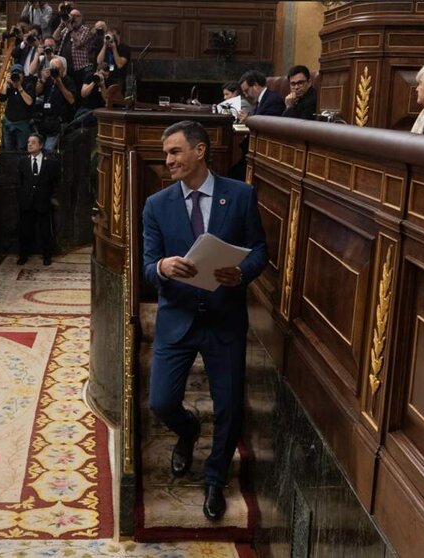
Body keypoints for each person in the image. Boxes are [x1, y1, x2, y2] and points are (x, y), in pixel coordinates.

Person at [142, 120, 266, 522]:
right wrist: (161, 266)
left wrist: (242, 272)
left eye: (175, 152)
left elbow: (259, 250)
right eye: (166, 155)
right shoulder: (156, 206)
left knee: (229, 406)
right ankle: (188, 429)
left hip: (223, 318)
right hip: (177, 317)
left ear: (199, 151)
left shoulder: (241, 195)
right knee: (161, 401)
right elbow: (145, 267)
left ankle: (215, 477)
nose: (168, 161)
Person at [17, 133, 60, 266]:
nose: (29, 144)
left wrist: (51, 197)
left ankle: (47, 256)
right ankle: (23, 255)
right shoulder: (22, 162)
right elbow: (19, 183)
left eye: (33, 142)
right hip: (27, 203)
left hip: (43, 202)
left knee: (45, 231)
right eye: (28, 142)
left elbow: (56, 181)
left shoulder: (51, 162)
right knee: (25, 231)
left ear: (40, 145)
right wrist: (21, 198)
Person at [34, 57, 76, 151]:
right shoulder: (48, 80)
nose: (56, 71)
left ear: (63, 69)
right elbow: (37, 93)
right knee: (39, 148)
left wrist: (60, 84)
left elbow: (71, 100)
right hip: (45, 121)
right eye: (53, 68)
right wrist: (42, 80)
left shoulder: (67, 81)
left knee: (47, 150)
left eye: (58, 69)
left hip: (58, 121)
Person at [53, 7, 93, 87]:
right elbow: (55, 37)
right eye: (71, 15)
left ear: (81, 18)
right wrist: (62, 24)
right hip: (65, 66)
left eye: (76, 16)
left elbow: (78, 43)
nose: (73, 18)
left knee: (77, 91)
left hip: (78, 68)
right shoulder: (66, 29)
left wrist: (70, 29)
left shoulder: (85, 30)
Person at [0, 63, 36, 150]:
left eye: (19, 73)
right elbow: (2, 98)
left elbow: (29, 102)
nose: (17, 76)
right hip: (9, 123)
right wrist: (5, 83)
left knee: (21, 150)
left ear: (23, 75)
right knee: (8, 149)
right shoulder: (10, 85)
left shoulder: (28, 85)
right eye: (14, 73)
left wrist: (19, 87)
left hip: (22, 124)